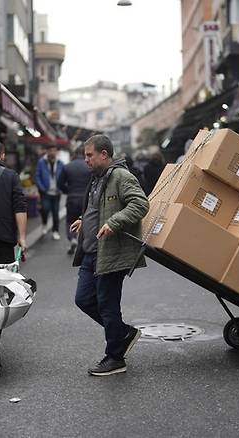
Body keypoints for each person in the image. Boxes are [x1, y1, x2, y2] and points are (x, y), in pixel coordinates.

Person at [70, 135, 149, 376]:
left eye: (90, 155)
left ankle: (115, 357)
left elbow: (140, 204)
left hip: (111, 253)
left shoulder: (122, 177)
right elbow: (98, 209)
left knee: (107, 305)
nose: (86, 160)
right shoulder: (96, 179)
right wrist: (84, 221)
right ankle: (123, 333)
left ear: (104, 154)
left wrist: (115, 222)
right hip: (90, 251)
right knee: (83, 299)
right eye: (86, 155)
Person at [57, 146, 91, 255]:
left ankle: (72, 238)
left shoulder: (67, 167)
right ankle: (84, 243)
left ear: (74, 154)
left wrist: (68, 191)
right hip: (86, 198)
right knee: (85, 220)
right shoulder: (89, 166)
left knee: (70, 220)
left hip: (72, 197)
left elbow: (59, 183)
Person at [35, 144, 64, 240]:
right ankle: (44, 224)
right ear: (47, 151)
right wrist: (42, 188)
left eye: (54, 150)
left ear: (56, 151)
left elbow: (64, 176)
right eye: (50, 150)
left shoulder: (60, 163)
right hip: (45, 192)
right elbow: (37, 176)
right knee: (45, 210)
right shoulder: (41, 162)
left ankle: (55, 231)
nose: (52, 152)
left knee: (56, 213)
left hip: (56, 192)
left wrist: (61, 188)